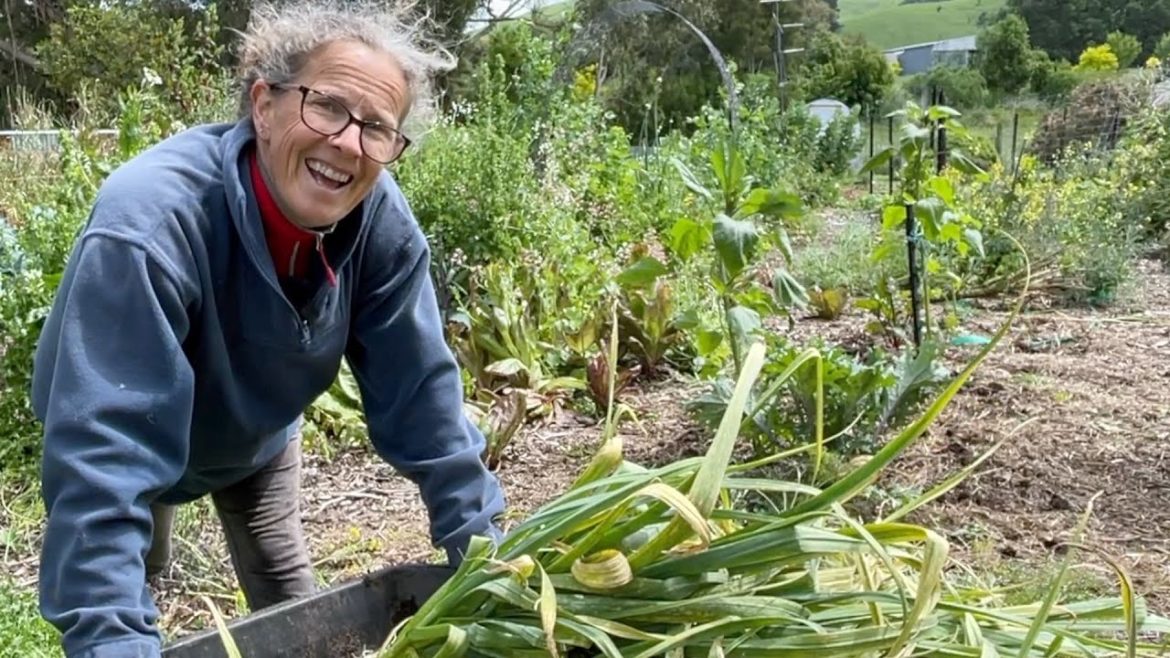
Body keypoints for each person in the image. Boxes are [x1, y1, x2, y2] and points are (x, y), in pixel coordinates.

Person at [30, 1, 507, 656]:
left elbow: (426, 403)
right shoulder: (149, 224)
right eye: (330, 106)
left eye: (377, 127)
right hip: (129, 426)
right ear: (263, 105)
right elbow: (102, 466)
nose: (348, 142)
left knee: (294, 609)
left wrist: (495, 567)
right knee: (126, 577)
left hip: (255, 435)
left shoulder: (378, 224)